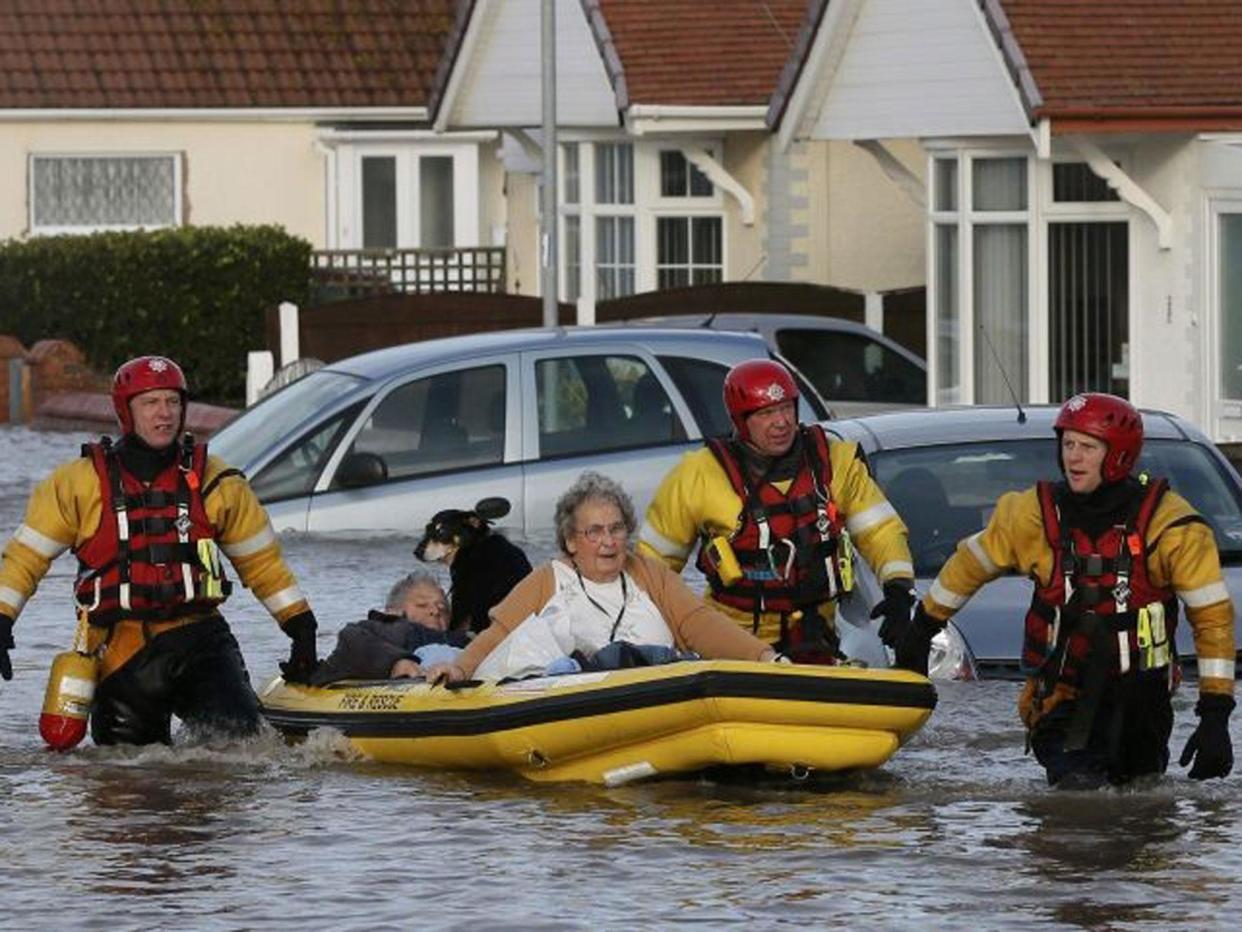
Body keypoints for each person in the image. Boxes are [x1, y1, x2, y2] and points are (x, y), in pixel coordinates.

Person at [888, 392, 1236, 787]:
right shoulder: (1029, 516)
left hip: (1142, 706)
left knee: (1141, 817)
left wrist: (1216, 714)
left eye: (1087, 447)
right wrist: (921, 630)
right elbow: (968, 567)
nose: (1074, 457)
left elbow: (1213, 621)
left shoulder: (1172, 527)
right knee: (1077, 808)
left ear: (1119, 455)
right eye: (1068, 444)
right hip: (1061, 701)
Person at [0, 355, 320, 746]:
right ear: (126, 411)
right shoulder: (76, 485)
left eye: (172, 402)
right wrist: (2, 620)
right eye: (150, 403)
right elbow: (23, 560)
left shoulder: (218, 483)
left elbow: (262, 564)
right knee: (127, 784)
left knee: (241, 758)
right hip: (121, 652)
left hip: (201, 642)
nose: (164, 414)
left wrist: (300, 627)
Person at [638, 358, 916, 663]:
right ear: (740, 420)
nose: (782, 422)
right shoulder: (698, 474)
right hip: (733, 645)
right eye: (767, 413)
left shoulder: (836, 461)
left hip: (819, 637)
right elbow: (652, 567)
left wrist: (899, 590)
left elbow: (881, 531)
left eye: (786, 408)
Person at [426, 471, 782, 683]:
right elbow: (499, 633)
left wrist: (764, 657)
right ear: (570, 540)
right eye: (594, 532)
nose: (609, 542)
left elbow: (698, 622)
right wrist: (460, 669)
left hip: (662, 692)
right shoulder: (548, 579)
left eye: (616, 529)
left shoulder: (649, 573)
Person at [309, 571, 469, 684]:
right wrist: (396, 663)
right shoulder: (388, 627)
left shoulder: (464, 640)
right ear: (394, 610)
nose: (435, 611)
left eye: (442, 608)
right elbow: (352, 639)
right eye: (422, 605)